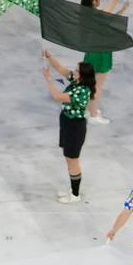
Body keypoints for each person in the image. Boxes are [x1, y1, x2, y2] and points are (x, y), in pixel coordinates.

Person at [40, 48, 97, 202]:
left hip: (75, 127)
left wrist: (48, 79)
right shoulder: (77, 80)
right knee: (67, 156)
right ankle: (72, 188)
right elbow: (61, 68)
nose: (74, 71)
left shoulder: (82, 91)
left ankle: (75, 194)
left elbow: (57, 96)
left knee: (72, 160)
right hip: (66, 121)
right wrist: (49, 56)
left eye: (77, 70)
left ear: (83, 75)